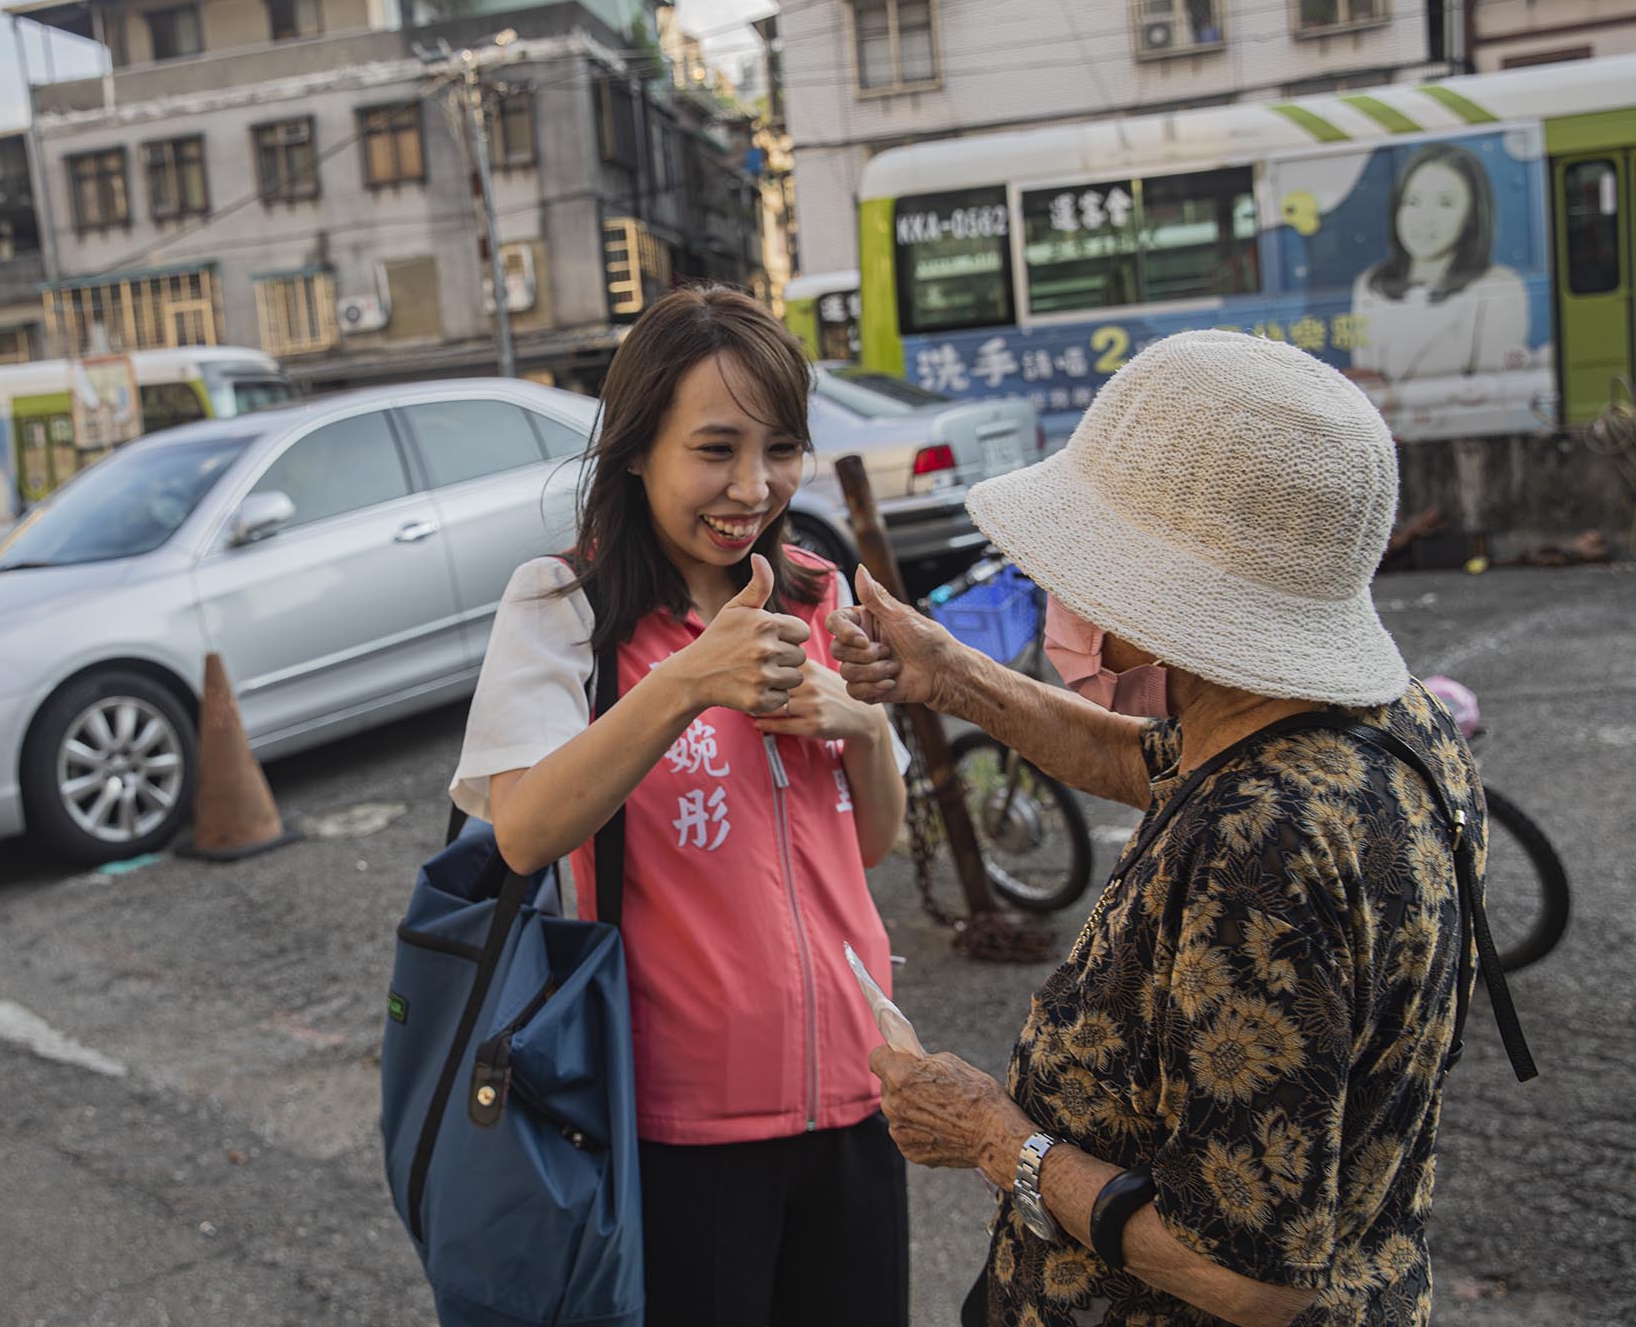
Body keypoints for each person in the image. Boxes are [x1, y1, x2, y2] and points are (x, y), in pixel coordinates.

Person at [830, 330, 1490, 1325]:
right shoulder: (1394, 728)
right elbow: (1152, 760)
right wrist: (952, 672)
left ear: (1163, 597)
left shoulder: (1259, 847)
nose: (1063, 590)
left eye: (1085, 564)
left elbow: (1251, 1279)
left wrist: (995, 1138)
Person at [450, 285, 911, 1327]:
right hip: (677, 1123)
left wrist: (868, 729)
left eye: (780, 448)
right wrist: (690, 680)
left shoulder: (811, 592)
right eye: (715, 449)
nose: (754, 486)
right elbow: (523, 831)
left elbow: (869, 846)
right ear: (636, 449)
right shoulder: (563, 605)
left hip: (857, 1092)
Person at [1349, 143, 1529, 387]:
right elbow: (1367, 382)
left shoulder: (1499, 286)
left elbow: (1494, 388)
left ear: (1471, 215)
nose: (1425, 219)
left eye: (1444, 203)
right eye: (1413, 201)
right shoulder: (1372, 285)